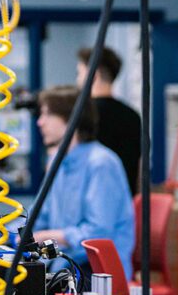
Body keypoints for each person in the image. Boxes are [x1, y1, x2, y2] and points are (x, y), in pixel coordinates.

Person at [33, 85, 135, 280]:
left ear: (69, 119)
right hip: (64, 266)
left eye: (46, 114)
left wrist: (50, 236)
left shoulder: (102, 164)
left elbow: (98, 233)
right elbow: (40, 217)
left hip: (97, 273)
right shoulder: (57, 163)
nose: (40, 122)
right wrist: (3, 233)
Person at [76, 46, 141, 196]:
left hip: (93, 203)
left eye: (79, 73)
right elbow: (138, 169)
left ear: (94, 75)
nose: (77, 80)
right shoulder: (133, 116)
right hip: (124, 203)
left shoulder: (84, 116)